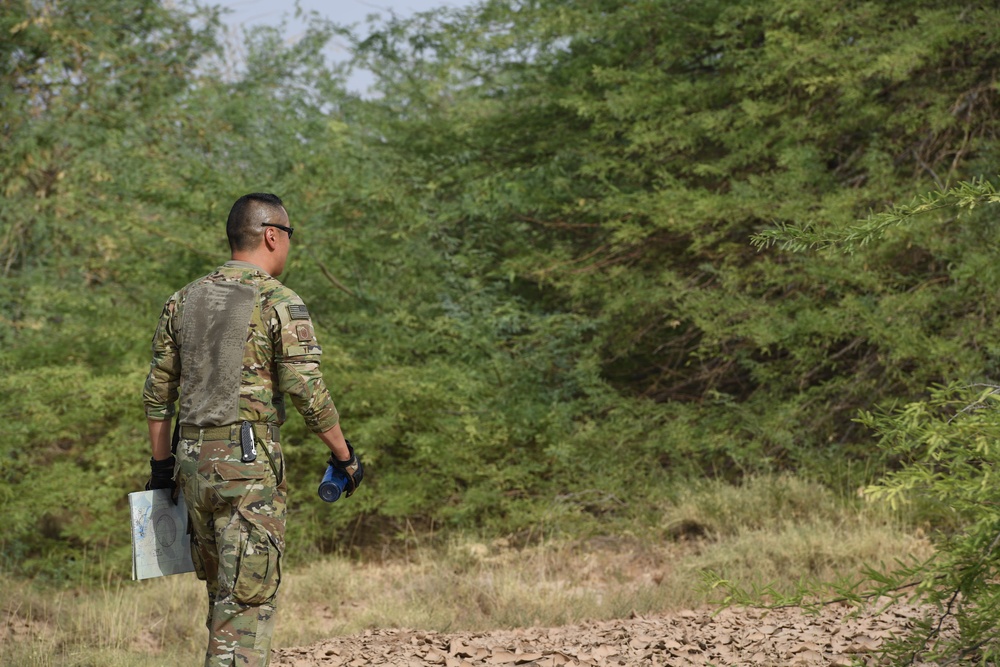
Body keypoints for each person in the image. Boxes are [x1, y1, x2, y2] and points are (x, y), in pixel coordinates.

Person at [142, 193, 363, 667]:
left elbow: (158, 396)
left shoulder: (181, 300)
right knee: (246, 604)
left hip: (189, 467)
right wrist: (345, 456)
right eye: (289, 235)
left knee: (226, 595)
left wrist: (161, 472)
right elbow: (306, 390)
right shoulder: (277, 300)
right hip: (246, 468)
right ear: (270, 235)